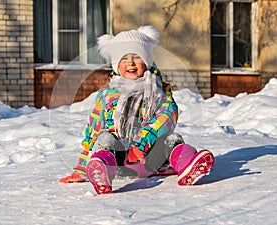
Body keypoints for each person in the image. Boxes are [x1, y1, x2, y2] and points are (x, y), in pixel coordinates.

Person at [59, 26, 214, 194]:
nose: (131, 63)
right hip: (119, 161)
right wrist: (81, 168)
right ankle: (101, 171)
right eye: (124, 59)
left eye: (137, 57)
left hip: (153, 159)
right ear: (116, 65)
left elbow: (167, 115)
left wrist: (140, 144)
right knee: (104, 137)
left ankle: (187, 164)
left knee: (172, 138)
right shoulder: (106, 96)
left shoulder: (158, 91)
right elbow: (93, 132)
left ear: (146, 62)